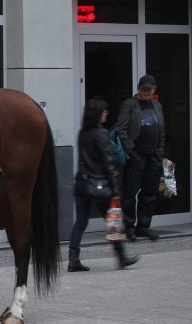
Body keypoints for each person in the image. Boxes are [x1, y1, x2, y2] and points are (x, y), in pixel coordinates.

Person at [68, 98, 140, 272]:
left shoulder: (82, 132)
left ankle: (73, 258)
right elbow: (107, 162)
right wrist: (115, 189)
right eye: (104, 111)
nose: (106, 114)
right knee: (113, 220)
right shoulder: (100, 133)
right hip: (99, 183)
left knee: (80, 222)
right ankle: (122, 257)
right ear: (98, 114)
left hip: (82, 182)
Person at [114, 74, 166, 242]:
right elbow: (120, 128)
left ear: (154, 89)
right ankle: (129, 227)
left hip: (154, 154)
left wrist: (160, 149)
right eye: (143, 89)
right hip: (137, 154)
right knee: (130, 192)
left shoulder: (157, 105)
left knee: (150, 193)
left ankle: (143, 226)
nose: (146, 92)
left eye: (149, 89)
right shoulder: (129, 104)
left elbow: (162, 129)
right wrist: (130, 149)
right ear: (138, 89)